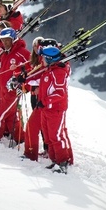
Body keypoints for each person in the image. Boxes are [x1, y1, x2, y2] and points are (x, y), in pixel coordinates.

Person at [28, 45, 74, 173]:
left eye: (43, 57)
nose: (40, 59)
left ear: (49, 59)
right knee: (48, 136)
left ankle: (63, 162)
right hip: (46, 108)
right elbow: (36, 81)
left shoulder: (58, 72)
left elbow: (60, 93)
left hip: (56, 109)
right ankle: (55, 160)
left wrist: (45, 102)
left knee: (56, 136)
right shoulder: (48, 70)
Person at [0, 27, 29, 146]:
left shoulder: (22, 53)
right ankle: (21, 138)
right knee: (10, 116)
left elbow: (32, 68)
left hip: (14, 91)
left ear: (13, 39)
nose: (5, 43)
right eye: (3, 40)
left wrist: (21, 78)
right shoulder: (4, 52)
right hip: (4, 89)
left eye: (7, 40)